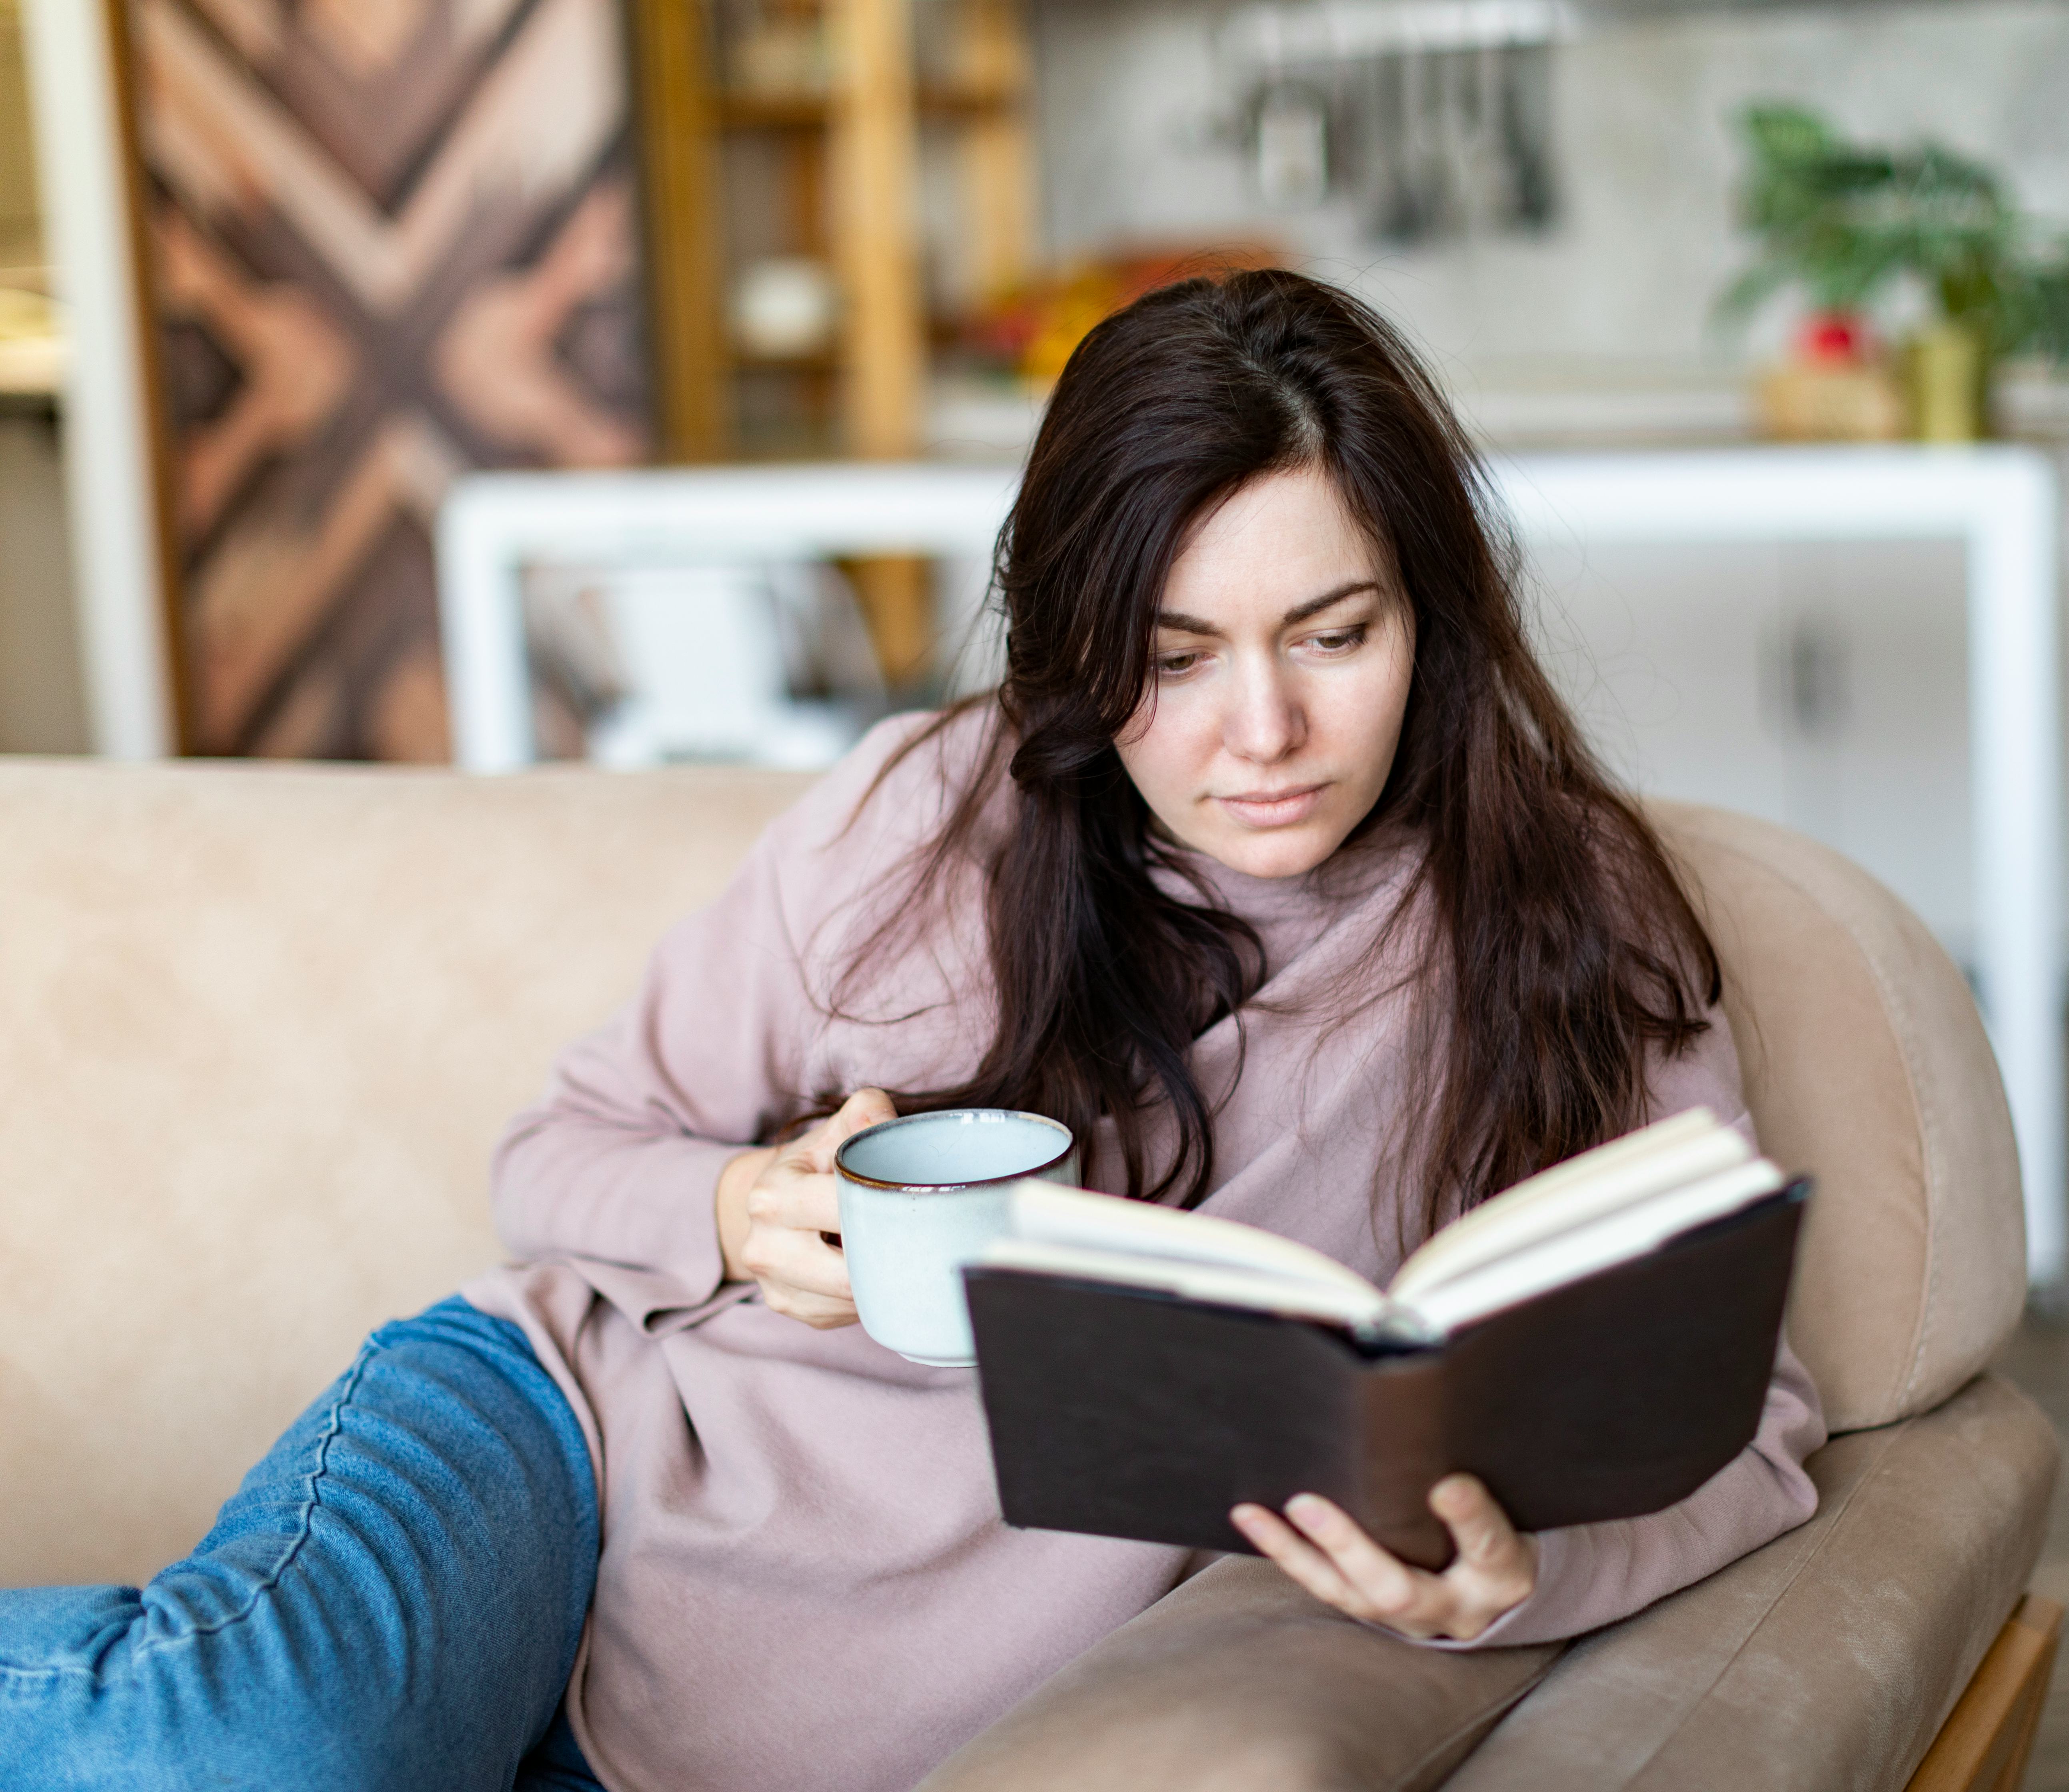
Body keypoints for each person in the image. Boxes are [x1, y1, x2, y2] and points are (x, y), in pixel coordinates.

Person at [0, 271, 1825, 1792]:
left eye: (1332, 633)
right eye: (1174, 659)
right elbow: (550, 1161)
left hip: (826, 1712)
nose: (1259, 729)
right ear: (1080, 645)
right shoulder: (936, 815)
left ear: (1434, 614)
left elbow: (1754, 1427)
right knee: (233, 1738)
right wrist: (733, 1209)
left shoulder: (1566, 925)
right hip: (569, 1459)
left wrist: (1511, 1580)